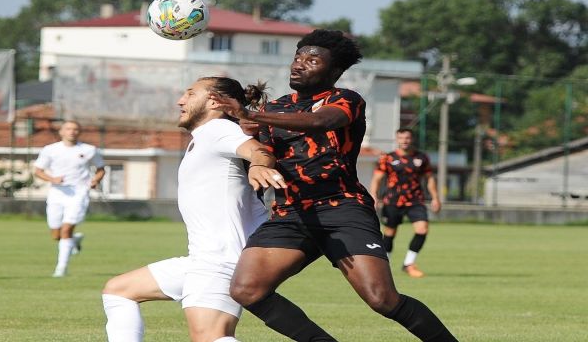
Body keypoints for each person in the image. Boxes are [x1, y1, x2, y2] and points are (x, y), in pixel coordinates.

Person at [211, 29, 458, 341]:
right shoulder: (274, 110)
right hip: (292, 213)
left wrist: (256, 116)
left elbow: (320, 122)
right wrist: (254, 153)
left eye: (311, 60)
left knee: (382, 299)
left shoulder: (346, 100)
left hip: (343, 208)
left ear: (335, 71)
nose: (299, 64)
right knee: (247, 290)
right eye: (297, 57)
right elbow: (264, 155)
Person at [101, 76, 308, 342]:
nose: (181, 100)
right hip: (205, 258)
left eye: (190, 93)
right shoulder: (205, 137)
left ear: (214, 101)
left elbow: (259, 151)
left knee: (210, 336)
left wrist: (259, 164)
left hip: (223, 259)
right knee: (119, 290)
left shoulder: (218, 129)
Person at [34, 120, 105, 278]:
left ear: (79, 132)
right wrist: (52, 179)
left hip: (79, 193)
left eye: (75, 129)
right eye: (68, 129)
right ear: (61, 132)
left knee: (66, 230)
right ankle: (75, 240)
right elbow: (38, 170)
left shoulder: (89, 150)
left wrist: (95, 180)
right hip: (57, 193)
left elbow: (100, 169)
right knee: (56, 234)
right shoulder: (50, 150)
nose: (72, 132)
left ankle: (61, 268)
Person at [370, 128, 441, 278]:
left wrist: (435, 197)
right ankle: (385, 266)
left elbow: (429, 179)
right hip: (393, 201)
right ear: (397, 139)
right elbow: (377, 178)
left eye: (407, 138)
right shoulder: (387, 158)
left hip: (416, 200)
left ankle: (409, 264)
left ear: (412, 139)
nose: (404, 141)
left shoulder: (422, 157)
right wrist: (374, 196)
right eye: (401, 138)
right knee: (390, 234)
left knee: (422, 229)